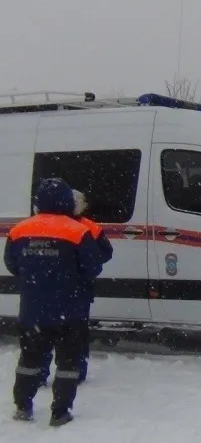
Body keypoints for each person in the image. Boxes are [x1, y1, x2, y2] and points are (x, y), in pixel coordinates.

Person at [4, 178, 103, 426]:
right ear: (67, 202)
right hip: (70, 310)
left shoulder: (19, 230)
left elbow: (13, 265)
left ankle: (23, 405)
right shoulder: (78, 231)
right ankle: (59, 411)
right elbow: (93, 267)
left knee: (29, 361)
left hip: (33, 310)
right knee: (68, 363)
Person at [39, 190, 113, 387]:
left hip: (44, 290)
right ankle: (74, 372)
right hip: (77, 290)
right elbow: (104, 254)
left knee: (43, 333)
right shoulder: (87, 227)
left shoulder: (43, 224)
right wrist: (82, 265)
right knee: (75, 334)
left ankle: (40, 373)